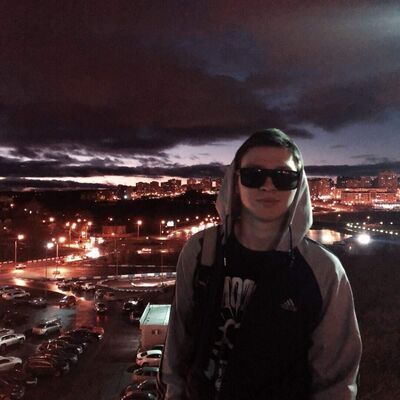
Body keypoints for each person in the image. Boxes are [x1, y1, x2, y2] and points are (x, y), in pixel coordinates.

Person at [159, 128, 362, 400]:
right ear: (235, 182)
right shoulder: (200, 251)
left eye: (283, 177)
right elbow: (178, 346)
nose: (268, 186)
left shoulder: (323, 270)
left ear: (299, 186)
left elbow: (336, 380)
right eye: (254, 175)